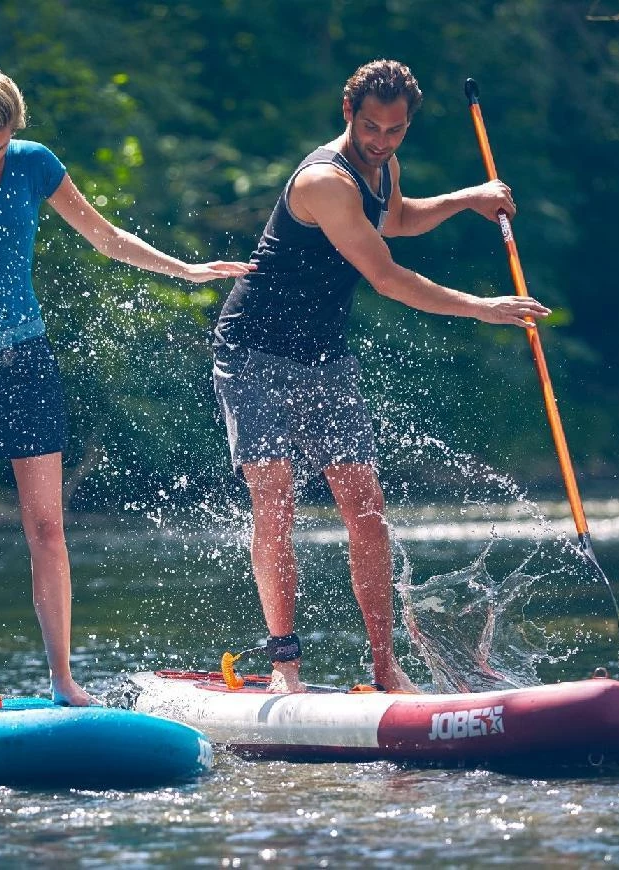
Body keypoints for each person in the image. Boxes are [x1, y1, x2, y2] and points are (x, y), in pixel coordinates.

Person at [0, 70, 253, 707]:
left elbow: (106, 237)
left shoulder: (34, 167)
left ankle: (63, 680)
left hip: (24, 361)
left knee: (47, 527)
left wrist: (184, 269)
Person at [211, 59, 551, 694]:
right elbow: (388, 274)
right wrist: (484, 307)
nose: (381, 141)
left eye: (395, 131)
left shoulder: (382, 164)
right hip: (254, 350)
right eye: (371, 127)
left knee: (366, 512)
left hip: (324, 354)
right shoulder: (324, 183)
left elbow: (394, 219)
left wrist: (466, 199)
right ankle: (287, 668)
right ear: (348, 114)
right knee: (277, 502)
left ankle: (384, 666)